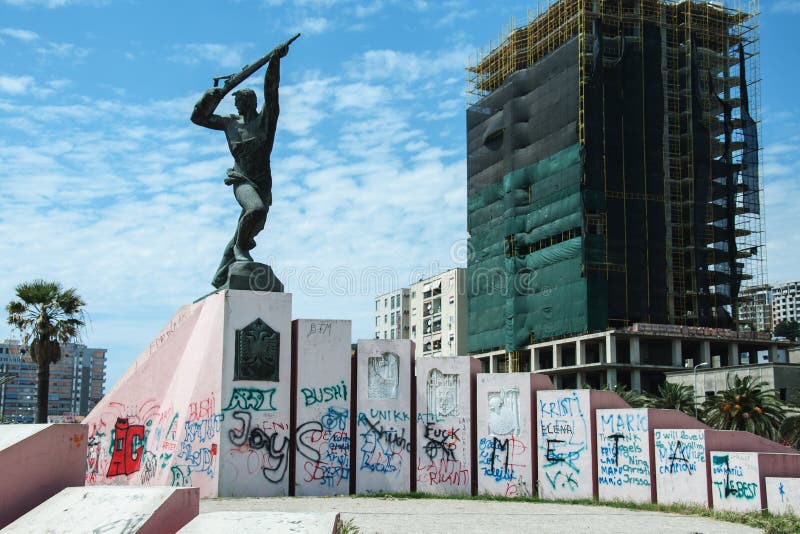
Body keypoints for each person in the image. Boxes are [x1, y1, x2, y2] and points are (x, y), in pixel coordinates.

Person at [191, 44, 289, 288]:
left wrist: (274, 61)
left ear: (249, 103)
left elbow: (272, 91)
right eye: (234, 103)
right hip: (242, 178)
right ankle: (239, 249)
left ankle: (222, 271)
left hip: (263, 181)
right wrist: (212, 96)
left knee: (251, 223)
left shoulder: (265, 121)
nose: (236, 107)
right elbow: (198, 117)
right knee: (254, 210)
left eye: (240, 103)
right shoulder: (229, 123)